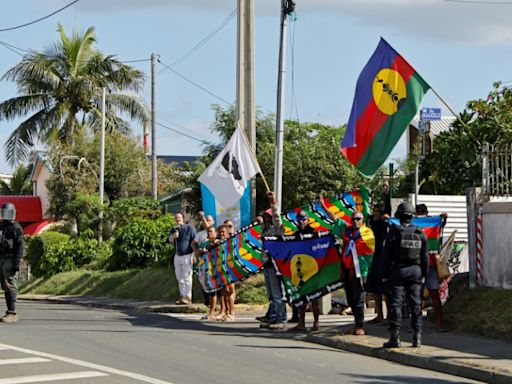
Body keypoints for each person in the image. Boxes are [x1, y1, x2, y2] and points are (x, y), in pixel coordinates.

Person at [320, 195, 375, 336]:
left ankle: (360, 325)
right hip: (347, 269)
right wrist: (324, 207)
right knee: (350, 298)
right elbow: (335, 219)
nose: (355, 221)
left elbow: (370, 252)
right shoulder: (347, 231)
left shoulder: (367, 233)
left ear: (363, 221)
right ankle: (356, 324)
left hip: (360, 270)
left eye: (358, 219)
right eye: (353, 219)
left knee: (358, 298)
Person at [381, 202, 428, 348]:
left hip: (399, 271)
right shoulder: (420, 233)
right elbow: (425, 257)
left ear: (399, 216)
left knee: (396, 303)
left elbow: (386, 256)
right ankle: (417, 337)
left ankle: (395, 337)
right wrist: (423, 275)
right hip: (415, 271)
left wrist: (384, 274)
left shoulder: (394, 232)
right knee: (415, 304)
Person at [416, 203, 448, 332]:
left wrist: (443, 219)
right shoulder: (411, 225)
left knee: (434, 293)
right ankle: (417, 325)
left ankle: (440, 323)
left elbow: (441, 226)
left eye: (422, 211)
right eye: (418, 211)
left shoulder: (431, 224)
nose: (420, 214)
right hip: (416, 264)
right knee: (416, 295)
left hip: (430, 264)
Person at [258, 191, 288, 330]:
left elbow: (278, 219)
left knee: (277, 294)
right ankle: (273, 318)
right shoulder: (265, 230)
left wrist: (273, 203)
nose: (266, 219)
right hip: (267, 264)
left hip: (276, 265)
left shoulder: (277, 229)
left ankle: (281, 319)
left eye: (267, 216)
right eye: (265, 217)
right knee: (271, 295)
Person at [288, 210, 320, 332]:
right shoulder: (295, 234)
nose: (301, 222)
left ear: (307, 220)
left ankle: (316, 322)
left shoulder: (314, 232)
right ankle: (301, 323)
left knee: (315, 298)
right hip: (300, 269)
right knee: (302, 298)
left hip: (312, 269)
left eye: (303, 219)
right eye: (299, 219)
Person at [366, 203, 390, 324]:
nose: (375, 213)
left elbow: (388, 207)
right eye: (374, 211)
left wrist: (386, 193)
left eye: (377, 212)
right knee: (375, 289)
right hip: (373, 257)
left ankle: (389, 316)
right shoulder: (371, 222)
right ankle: (379, 315)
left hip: (383, 257)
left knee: (385, 289)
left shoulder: (384, 223)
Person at [0, 202, 24, 323]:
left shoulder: (16, 228)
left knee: (10, 285)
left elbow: (20, 247)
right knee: (4, 286)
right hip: (1, 259)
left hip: (10, 259)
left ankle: (12, 313)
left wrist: (16, 263)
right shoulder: (2, 227)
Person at [168, 212, 196, 305]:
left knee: (187, 277)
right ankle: (182, 296)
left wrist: (194, 255)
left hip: (187, 255)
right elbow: (169, 240)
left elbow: (194, 241)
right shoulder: (174, 229)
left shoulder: (189, 228)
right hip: (177, 255)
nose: (177, 219)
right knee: (179, 277)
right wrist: (174, 236)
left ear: (183, 218)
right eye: (176, 218)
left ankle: (188, 297)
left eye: (179, 217)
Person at [191, 212, 215, 307]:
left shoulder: (214, 232)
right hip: (202, 261)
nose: (207, 221)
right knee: (203, 281)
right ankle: (207, 302)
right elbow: (193, 244)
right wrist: (196, 252)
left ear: (213, 222)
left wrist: (202, 216)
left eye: (209, 220)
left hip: (212, 262)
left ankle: (213, 303)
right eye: (206, 220)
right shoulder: (201, 234)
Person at [197, 225, 219, 320]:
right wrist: (201, 251)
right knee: (211, 291)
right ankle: (211, 312)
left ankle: (215, 312)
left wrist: (208, 249)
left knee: (216, 292)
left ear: (216, 233)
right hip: (208, 269)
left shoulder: (217, 242)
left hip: (216, 269)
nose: (209, 233)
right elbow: (199, 252)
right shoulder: (206, 242)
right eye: (208, 232)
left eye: (211, 231)